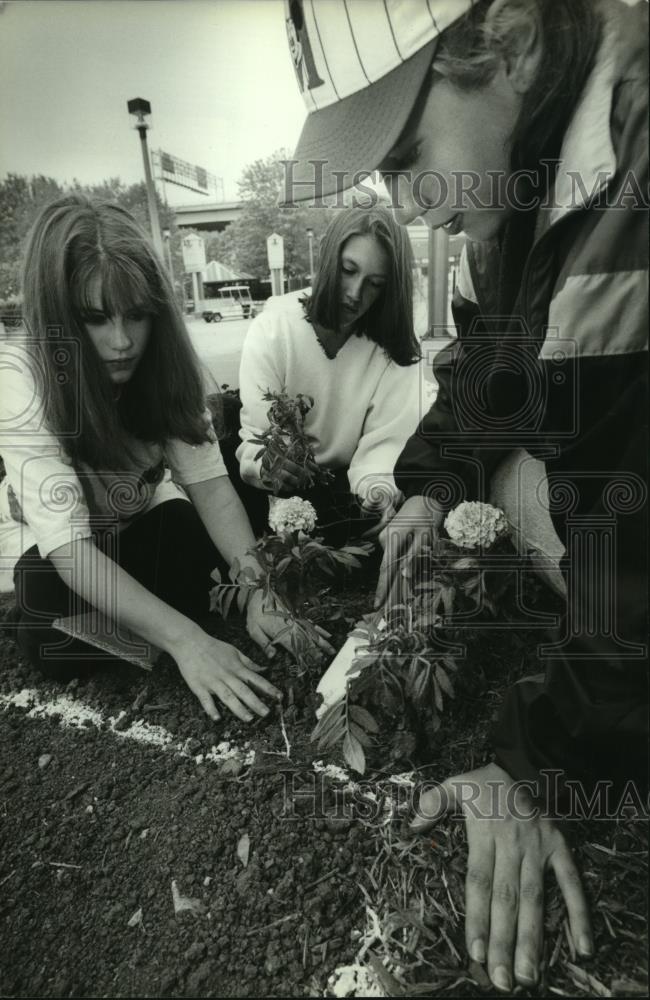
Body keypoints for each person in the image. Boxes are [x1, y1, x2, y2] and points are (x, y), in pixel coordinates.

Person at [284, 0, 648, 992]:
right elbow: (490, 370)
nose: (401, 202)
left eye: (405, 151)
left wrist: (533, 768)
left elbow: (634, 567)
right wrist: (423, 491)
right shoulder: (523, 174)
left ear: (515, 40)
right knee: (502, 481)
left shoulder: (631, 175)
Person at [0, 195, 291, 723]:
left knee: (215, 517)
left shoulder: (169, 367)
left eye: (137, 314)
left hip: (142, 522)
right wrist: (188, 643)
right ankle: (151, 615)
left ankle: (135, 615)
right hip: (64, 548)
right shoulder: (20, 383)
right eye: (94, 317)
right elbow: (70, 549)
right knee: (43, 624)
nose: (122, 341)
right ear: (58, 317)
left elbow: (210, 488)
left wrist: (259, 593)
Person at [236, 206, 423, 545]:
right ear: (327, 258)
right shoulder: (273, 329)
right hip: (277, 490)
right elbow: (255, 437)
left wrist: (376, 492)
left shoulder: (389, 349)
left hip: (346, 489)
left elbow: (385, 443)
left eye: (375, 284)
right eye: (348, 271)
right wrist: (269, 466)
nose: (355, 293)